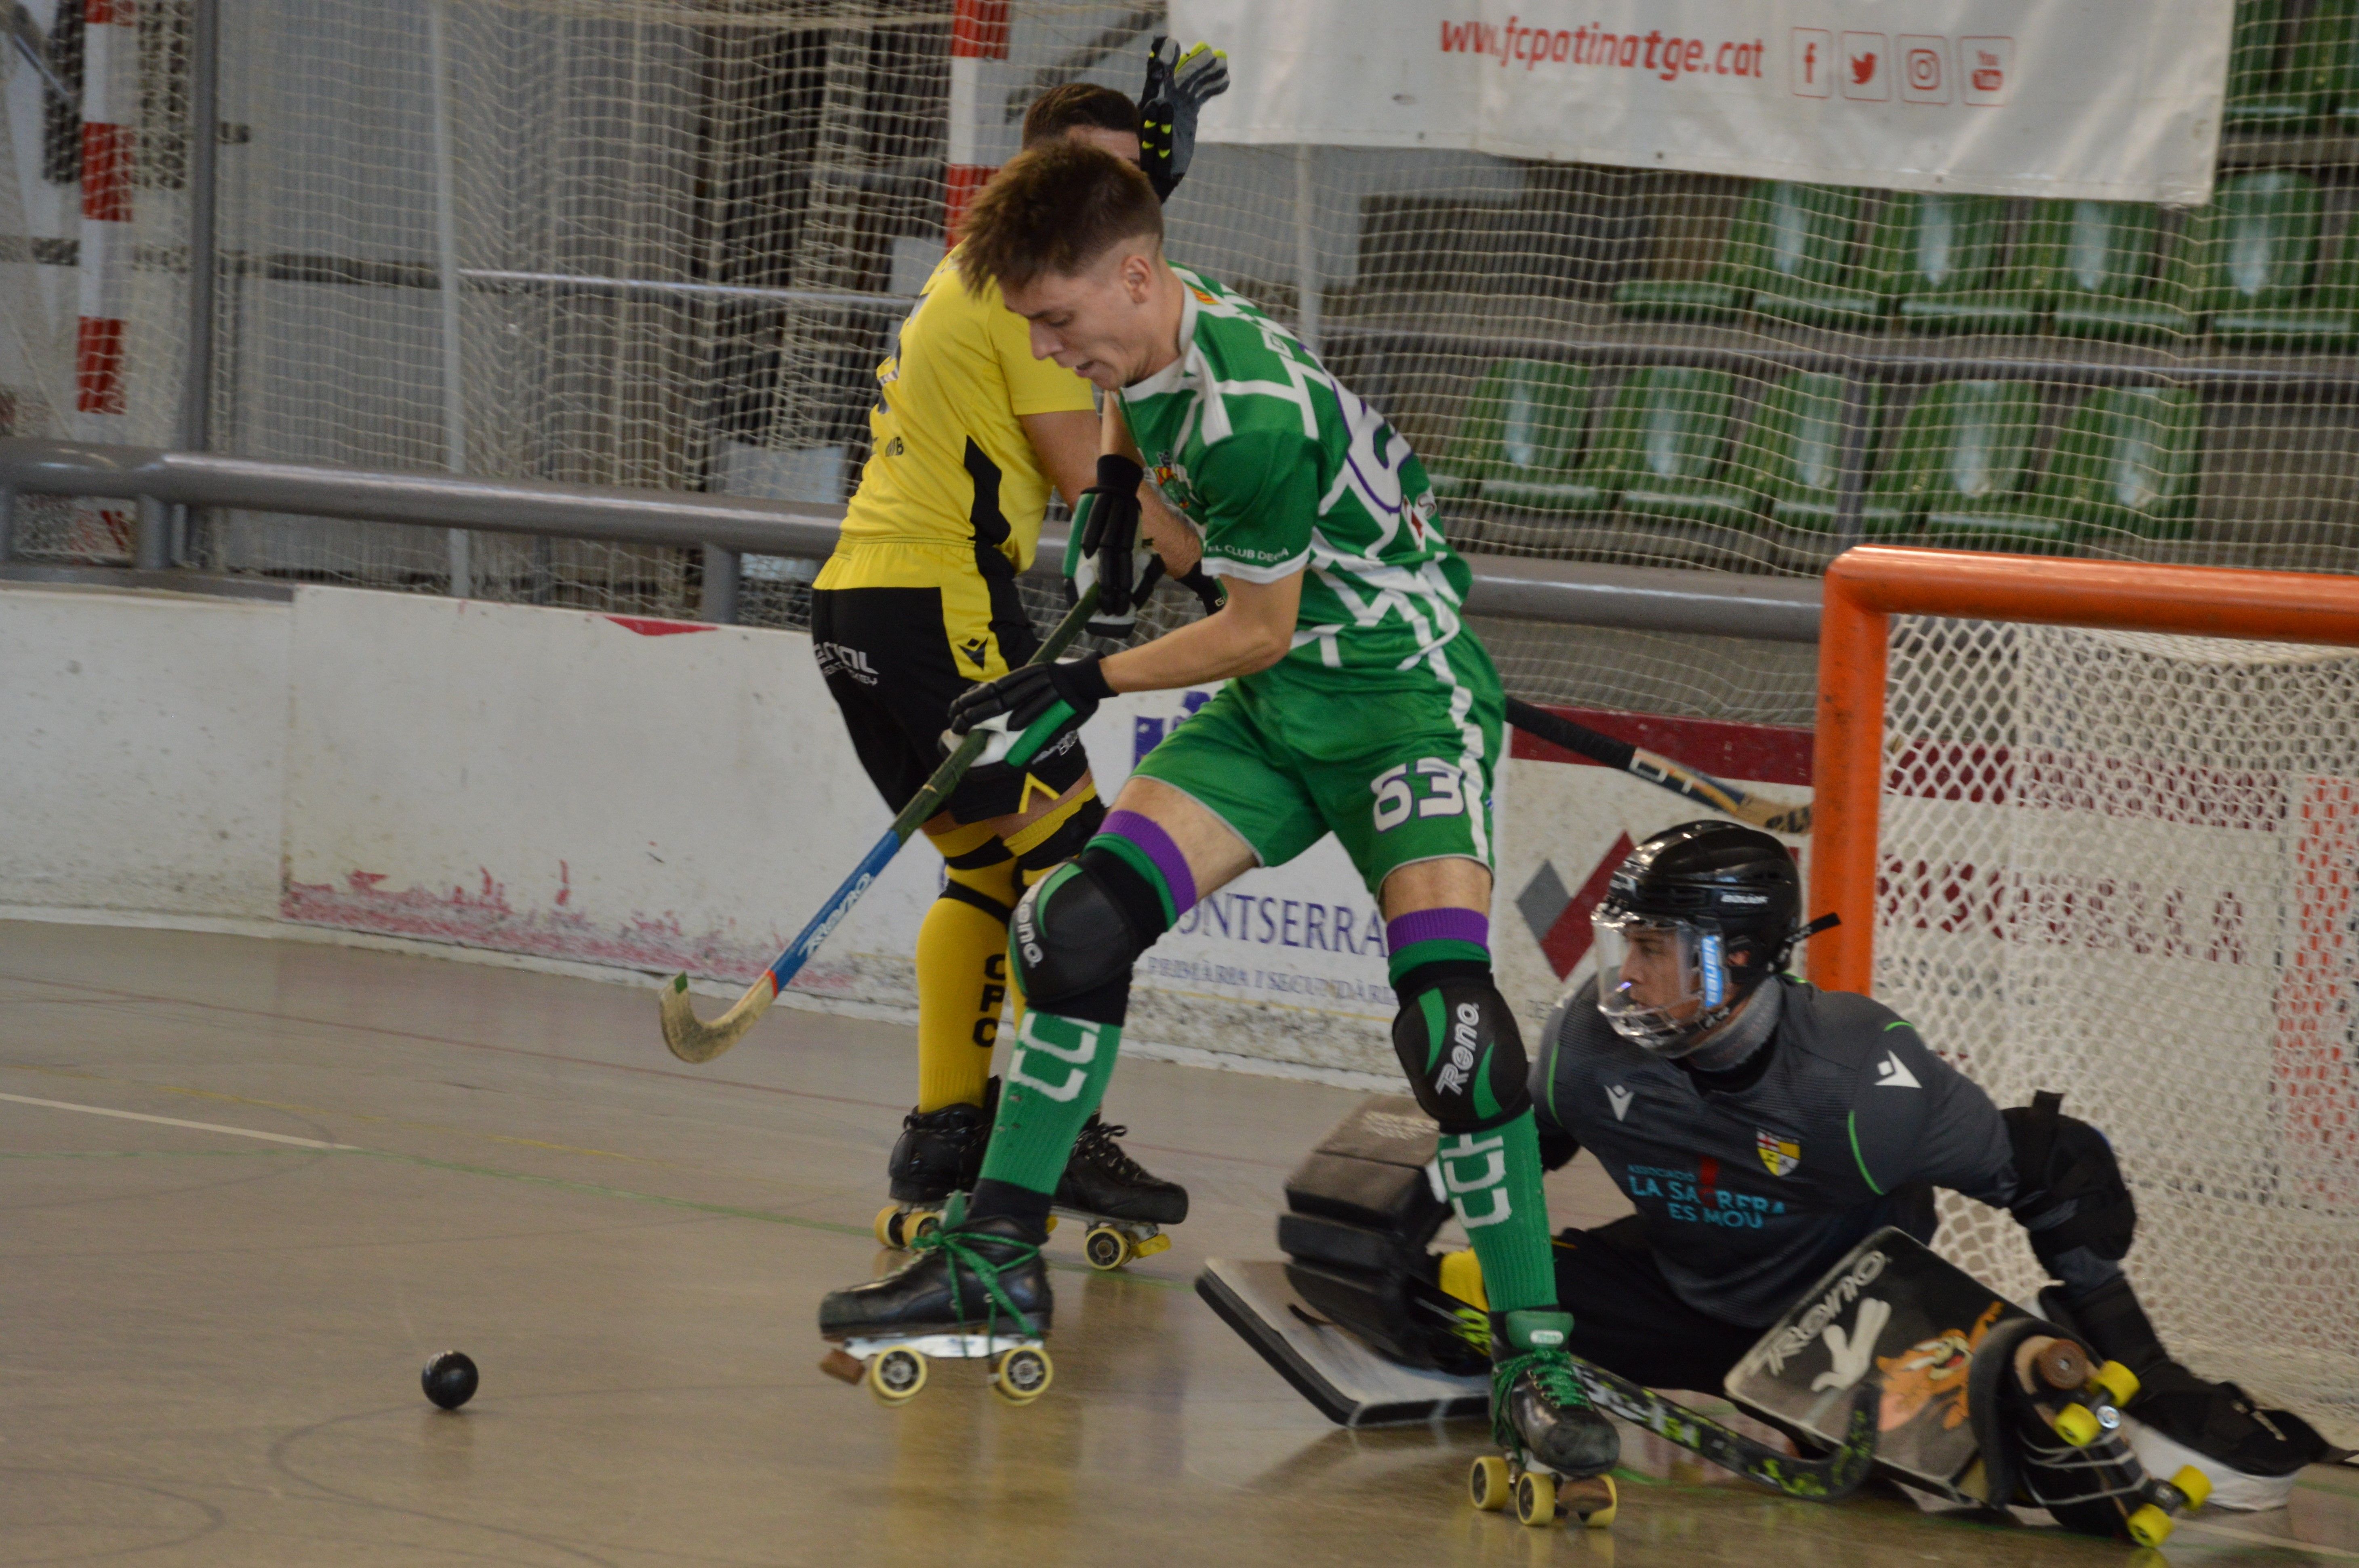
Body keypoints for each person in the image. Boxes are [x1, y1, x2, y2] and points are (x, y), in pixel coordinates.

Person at [816, 137, 1620, 1484]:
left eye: (1059, 324)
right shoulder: (1160, 339)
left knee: (1454, 1032)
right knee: (1074, 928)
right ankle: (998, 1261)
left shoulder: (1249, 414)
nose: (1051, 351)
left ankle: (1535, 1359)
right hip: (1281, 707)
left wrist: (1087, 677)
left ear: (1133, 278)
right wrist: (1124, 500)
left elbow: (1251, 630)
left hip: (1396, 704)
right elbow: (1155, 468)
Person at [1484, 819, 2331, 1492]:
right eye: (1622, 946)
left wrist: (2141, 1364)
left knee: (2054, 1413)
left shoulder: (1853, 1077)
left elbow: (2055, 1171)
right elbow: (1513, 1158)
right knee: (1464, 1289)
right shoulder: (1585, 1041)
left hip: (1850, 1328)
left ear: (1735, 957)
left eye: (1650, 950)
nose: (1621, 979)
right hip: (1672, 1296)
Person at [808, 60, 1226, 1246]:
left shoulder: (982, 270)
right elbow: (1085, 469)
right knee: (1089, 888)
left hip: (860, 606)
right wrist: (1223, 578)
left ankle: (947, 1132)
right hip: (939, 605)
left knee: (990, 872)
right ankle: (1058, 1144)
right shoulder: (1019, 289)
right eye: (1104, 185)